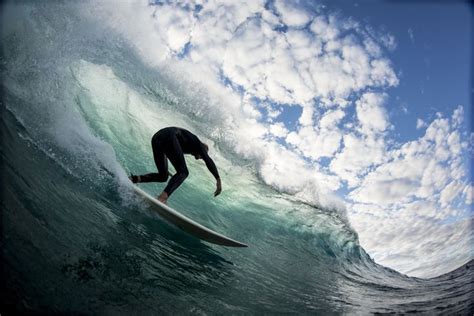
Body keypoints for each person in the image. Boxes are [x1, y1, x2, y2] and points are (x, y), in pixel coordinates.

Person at [129, 127, 221, 204]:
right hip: (169, 137)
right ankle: (162, 198)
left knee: (163, 176)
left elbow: (171, 151)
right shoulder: (199, 145)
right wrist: (218, 179)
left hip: (157, 137)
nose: (197, 158)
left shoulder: (188, 143)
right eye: (201, 157)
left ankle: (134, 179)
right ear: (203, 151)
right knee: (184, 172)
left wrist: (164, 168)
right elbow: (208, 161)